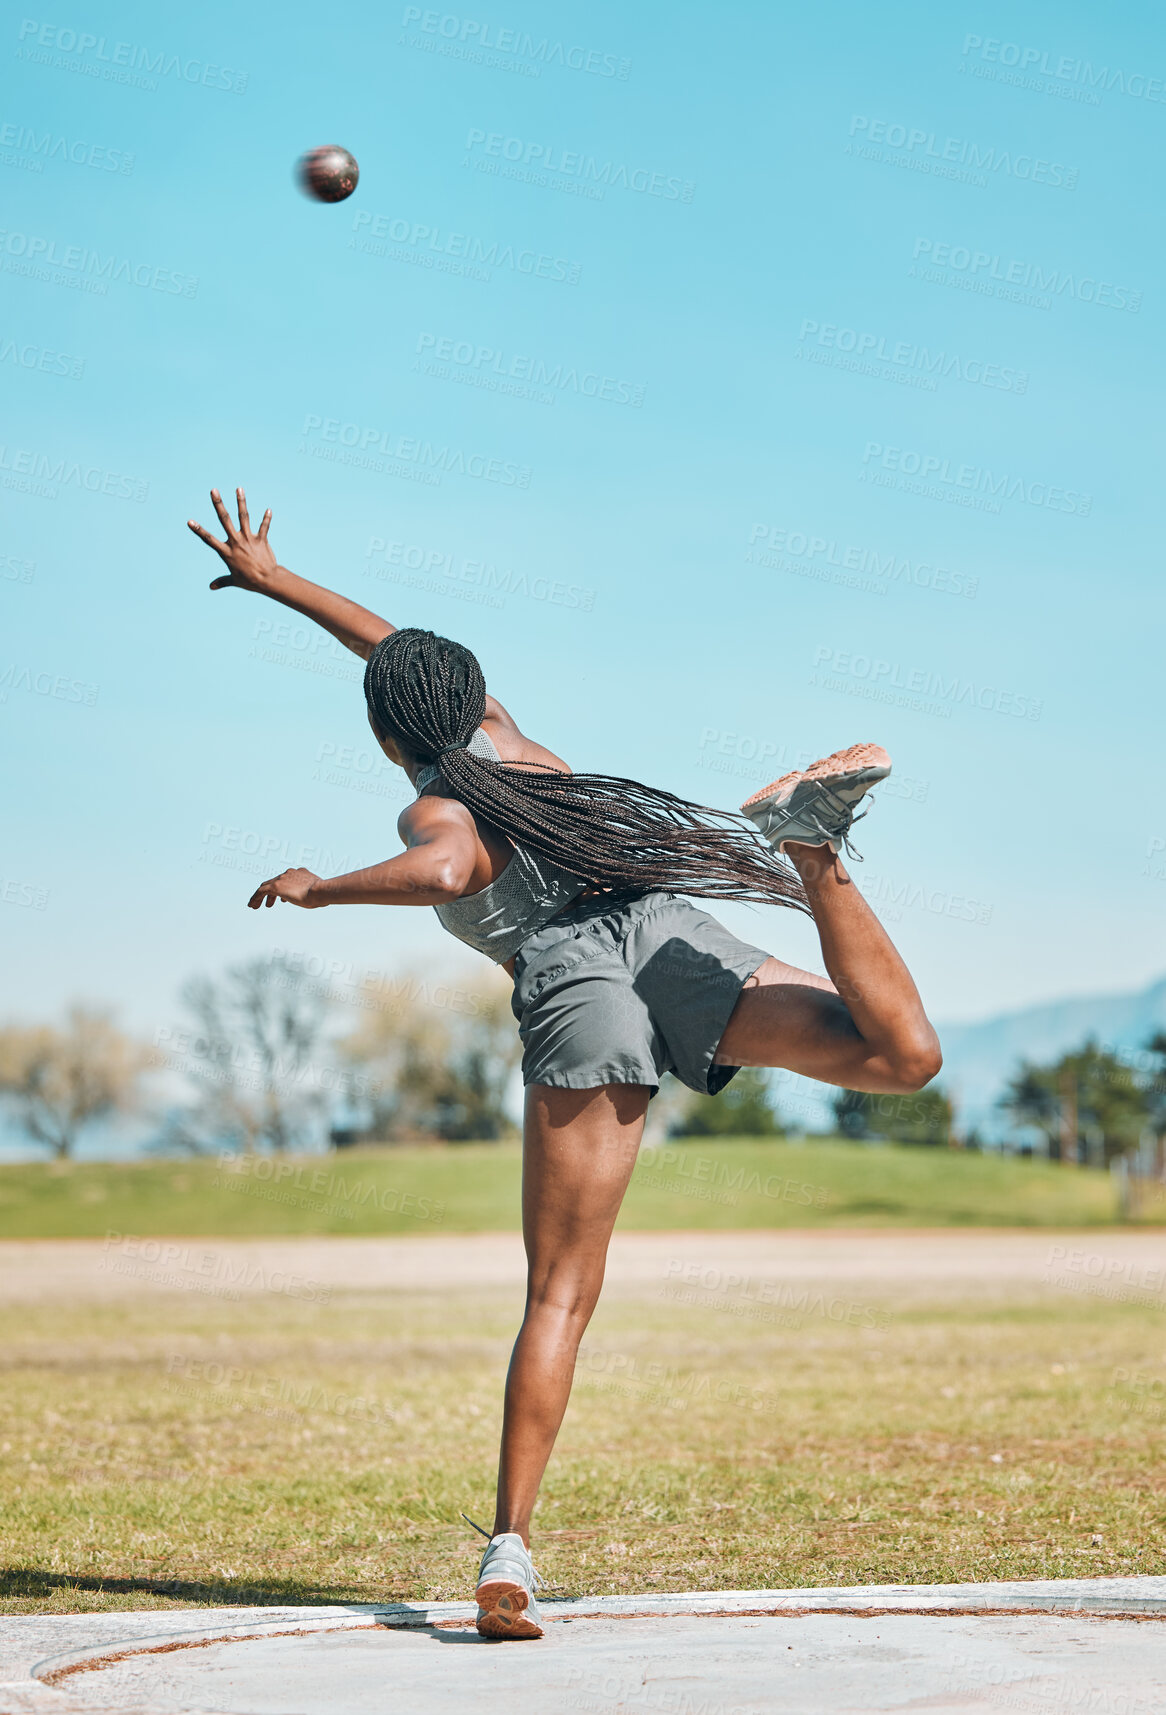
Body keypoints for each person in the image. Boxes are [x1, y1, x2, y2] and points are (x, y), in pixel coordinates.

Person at [188, 489, 942, 1640]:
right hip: (664, 928)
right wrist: (281, 582)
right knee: (899, 1055)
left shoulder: (437, 804)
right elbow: (395, 651)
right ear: (469, 694)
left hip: (576, 979)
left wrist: (317, 884)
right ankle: (809, 846)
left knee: (559, 1290)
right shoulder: (505, 735)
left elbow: (445, 872)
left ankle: (509, 1546)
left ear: (385, 735)